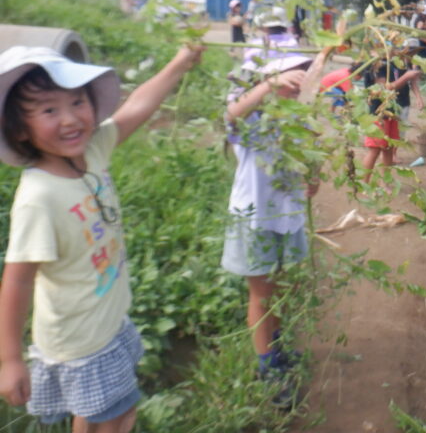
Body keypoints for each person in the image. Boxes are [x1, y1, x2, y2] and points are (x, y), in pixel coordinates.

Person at [0, 43, 202, 430]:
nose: (70, 119)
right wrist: (9, 359)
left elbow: (136, 108)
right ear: (20, 129)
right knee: (115, 417)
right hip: (82, 341)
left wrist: (178, 64)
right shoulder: (38, 198)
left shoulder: (91, 151)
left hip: (108, 322)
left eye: (78, 102)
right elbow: (18, 280)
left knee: (103, 416)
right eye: (49, 110)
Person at [221, 48, 319, 399]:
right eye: (290, 77)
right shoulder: (253, 119)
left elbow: (308, 155)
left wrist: (313, 177)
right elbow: (230, 116)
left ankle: (276, 351)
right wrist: (268, 85)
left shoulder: (297, 117)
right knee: (262, 295)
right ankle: (268, 370)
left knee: (278, 288)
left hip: (285, 217)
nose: (297, 84)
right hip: (255, 218)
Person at [361, 60, 421, 183]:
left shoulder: (393, 63)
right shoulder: (376, 64)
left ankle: (385, 183)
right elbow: (384, 88)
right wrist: (406, 77)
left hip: (391, 113)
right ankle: (364, 184)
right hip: (378, 115)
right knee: (374, 151)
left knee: (388, 149)